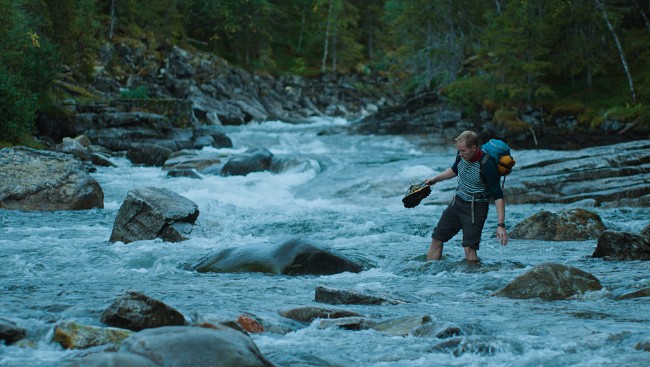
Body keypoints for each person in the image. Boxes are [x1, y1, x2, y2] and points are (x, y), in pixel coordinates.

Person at [424, 131, 508, 262]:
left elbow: (498, 196)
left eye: (463, 151)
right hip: (457, 203)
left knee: (469, 248)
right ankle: (429, 276)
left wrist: (501, 225)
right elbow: (454, 170)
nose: (460, 154)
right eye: (459, 150)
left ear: (474, 148)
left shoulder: (488, 164)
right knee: (437, 238)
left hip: (476, 208)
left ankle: (472, 279)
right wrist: (435, 179)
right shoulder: (461, 156)